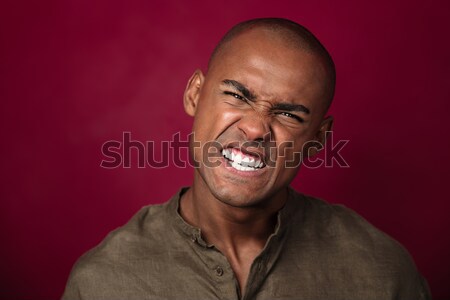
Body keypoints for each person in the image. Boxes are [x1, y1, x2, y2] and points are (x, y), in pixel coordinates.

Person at [62, 18, 431, 300]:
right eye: (237, 96)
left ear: (319, 138)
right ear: (195, 94)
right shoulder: (104, 281)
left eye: (288, 114)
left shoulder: (381, 272)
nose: (255, 129)